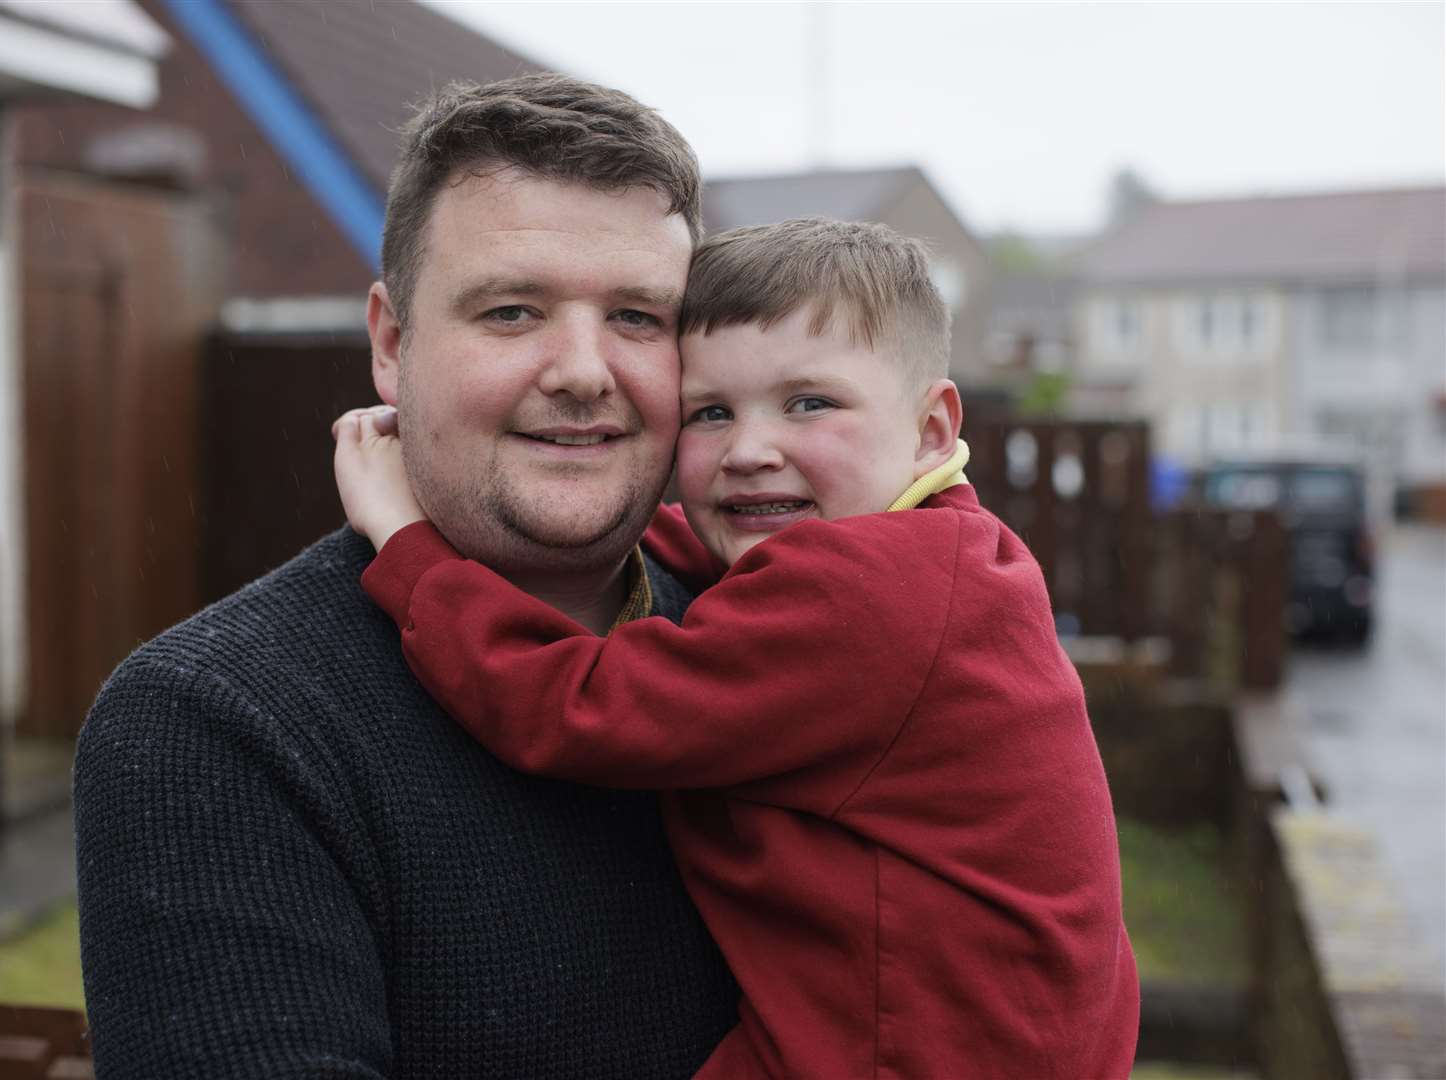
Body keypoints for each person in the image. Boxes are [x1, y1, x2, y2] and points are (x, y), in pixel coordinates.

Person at [336, 218, 1141, 1078]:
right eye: (711, 413)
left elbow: (579, 709)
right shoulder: (945, 551)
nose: (751, 452)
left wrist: (409, 547)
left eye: (810, 404)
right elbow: (720, 550)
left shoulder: (866, 598)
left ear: (932, 428)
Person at [72, 74, 740, 1079]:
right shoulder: (215, 726)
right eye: (511, 311)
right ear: (391, 343)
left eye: (638, 318)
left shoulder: (765, 655)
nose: (582, 370)